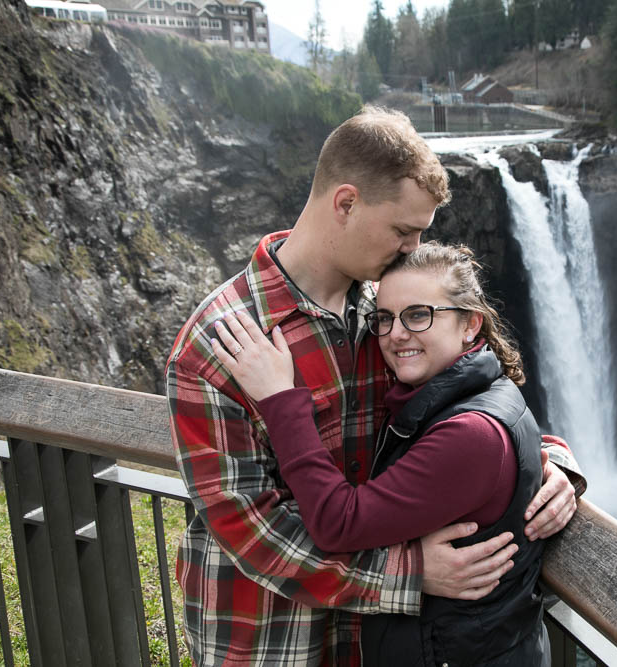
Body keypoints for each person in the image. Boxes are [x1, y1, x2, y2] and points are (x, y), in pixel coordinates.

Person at [165, 105, 583, 666]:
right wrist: (408, 573)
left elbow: (458, 411)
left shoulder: (388, 313)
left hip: (377, 641)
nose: (412, 250)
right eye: (403, 231)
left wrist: (549, 463)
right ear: (345, 203)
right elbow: (250, 528)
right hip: (270, 639)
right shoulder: (221, 342)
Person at [213, 242, 552, 665]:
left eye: (418, 314)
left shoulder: (470, 432)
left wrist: (281, 399)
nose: (395, 334)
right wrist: (559, 464)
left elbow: (338, 523)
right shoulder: (463, 393)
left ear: (470, 325)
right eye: (385, 318)